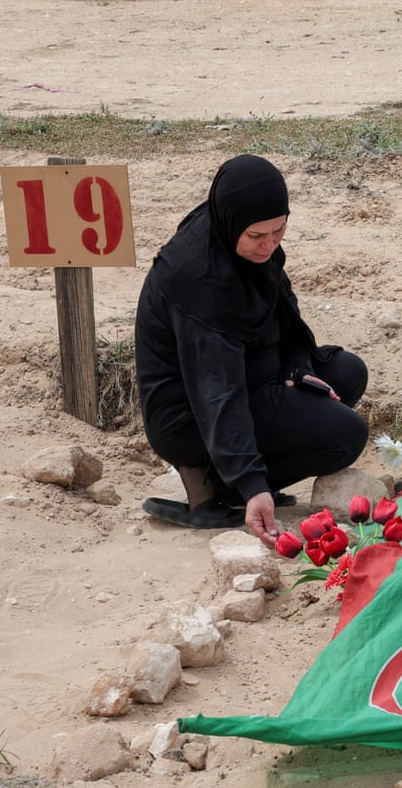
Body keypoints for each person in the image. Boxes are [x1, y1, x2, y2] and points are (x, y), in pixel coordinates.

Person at [134, 154, 369, 547]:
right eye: (258, 236)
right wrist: (252, 484)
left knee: (346, 373)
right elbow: (217, 391)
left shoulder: (240, 236)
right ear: (231, 224)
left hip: (250, 371)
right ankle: (220, 484)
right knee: (347, 435)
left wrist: (296, 368)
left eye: (279, 231)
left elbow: (284, 310)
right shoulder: (200, 280)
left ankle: (229, 473)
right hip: (189, 415)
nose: (270, 244)